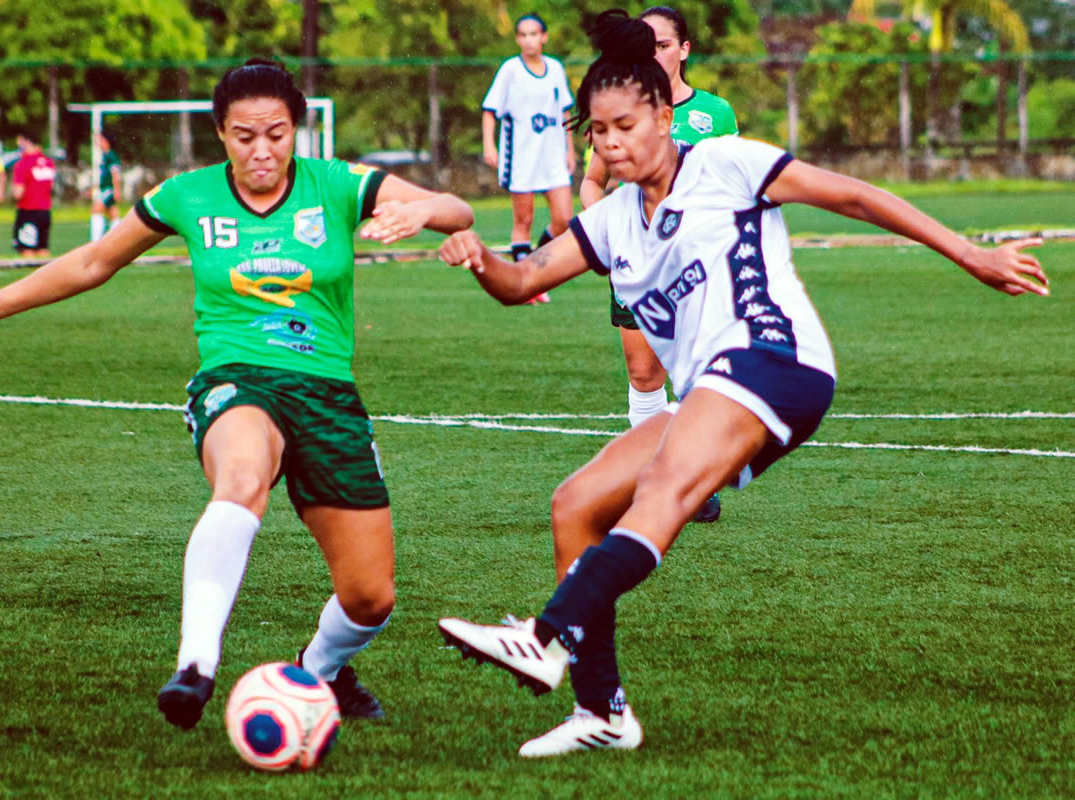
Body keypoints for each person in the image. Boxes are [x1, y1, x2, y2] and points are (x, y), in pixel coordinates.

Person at [435, 10, 1048, 759]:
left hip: (776, 360)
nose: (611, 144)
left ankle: (544, 635)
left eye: (626, 125)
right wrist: (473, 254)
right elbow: (524, 277)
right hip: (712, 390)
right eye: (597, 132)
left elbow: (852, 195)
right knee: (577, 504)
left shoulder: (722, 162)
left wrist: (969, 252)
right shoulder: (617, 219)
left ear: (664, 114)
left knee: (665, 490)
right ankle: (601, 711)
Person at [0, 58, 474, 730]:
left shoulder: (338, 184)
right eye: (244, 136)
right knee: (242, 476)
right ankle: (196, 665)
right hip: (236, 379)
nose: (262, 150)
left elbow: (458, 209)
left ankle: (318, 673)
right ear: (220, 134)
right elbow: (94, 260)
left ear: (298, 130)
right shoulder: (188, 195)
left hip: (327, 393)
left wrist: (422, 209)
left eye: (276, 133)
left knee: (369, 597)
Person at [581, 5, 738, 524]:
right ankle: (648, 477)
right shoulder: (621, 110)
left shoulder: (714, 114)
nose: (655, 52)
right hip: (637, 261)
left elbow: (733, 186)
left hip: (695, 261)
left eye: (664, 44)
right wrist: (605, 229)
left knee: (699, 369)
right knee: (643, 372)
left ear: (684, 49)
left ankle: (695, 478)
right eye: (647, 44)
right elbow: (592, 182)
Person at [482, 11, 577, 304]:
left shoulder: (556, 69)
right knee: (523, 219)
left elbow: (565, 111)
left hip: (551, 156)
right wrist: (489, 145)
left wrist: (569, 148)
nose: (528, 40)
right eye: (522, 35)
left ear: (544, 37)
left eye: (533, 34)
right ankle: (524, 286)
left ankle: (533, 265)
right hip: (520, 155)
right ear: (517, 39)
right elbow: (490, 109)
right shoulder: (511, 69)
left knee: (564, 218)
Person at [10, 132, 56, 258]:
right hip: (45, 211)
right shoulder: (49, 162)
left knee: (27, 250)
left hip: (28, 211)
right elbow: (50, 187)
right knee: (43, 249)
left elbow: (18, 193)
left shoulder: (23, 164)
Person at [90, 130, 122, 241]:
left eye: (102, 140)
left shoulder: (111, 156)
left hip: (109, 189)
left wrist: (117, 190)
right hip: (105, 188)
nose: (99, 142)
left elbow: (115, 174)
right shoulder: (105, 155)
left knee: (96, 210)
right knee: (113, 213)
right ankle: (117, 239)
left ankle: (96, 241)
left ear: (107, 142)